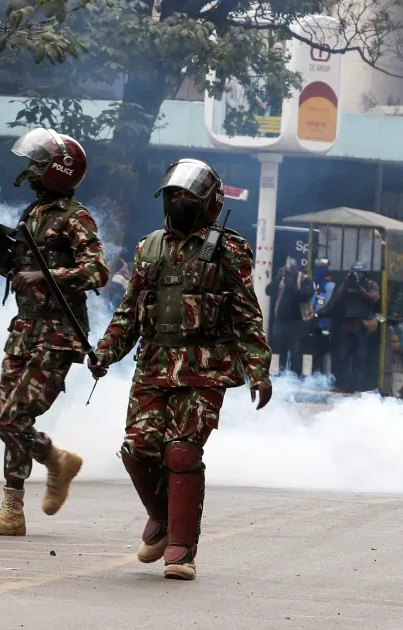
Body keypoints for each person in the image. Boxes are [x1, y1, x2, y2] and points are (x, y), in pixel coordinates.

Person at [88, 158, 273, 581]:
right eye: (173, 195)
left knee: (182, 451)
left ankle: (181, 549)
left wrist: (258, 369)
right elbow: (129, 312)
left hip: (205, 367)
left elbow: (246, 315)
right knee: (137, 448)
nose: (179, 202)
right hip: (153, 364)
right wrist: (104, 353)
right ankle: (163, 518)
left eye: (188, 195)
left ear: (209, 202)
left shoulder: (229, 248)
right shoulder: (148, 247)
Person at [0, 127, 109, 536]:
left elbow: (98, 271)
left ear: (57, 171)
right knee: (5, 421)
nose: (29, 169)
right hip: (25, 331)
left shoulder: (75, 218)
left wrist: (47, 276)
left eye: (37, 163)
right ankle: (30, 488)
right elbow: (17, 273)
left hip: (57, 334)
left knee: (14, 418)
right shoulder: (32, 215)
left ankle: (37, 481)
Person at [319, 261, 380, 392]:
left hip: (362, 327)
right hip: (346, 327)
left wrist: (359, 288)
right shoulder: (346, 284)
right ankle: (343, 385)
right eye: (354, 273)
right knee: (343, 358)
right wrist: (347, 284)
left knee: (361, 358)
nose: (357, 276)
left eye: (360, 273)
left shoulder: (370, 284)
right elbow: (335, 301)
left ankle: (359, 387)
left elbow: (373, 299)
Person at [264, 256, 316, 375]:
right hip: (282, 322)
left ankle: (295, 378)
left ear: (297, 269)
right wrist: (278, 277)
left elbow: (306, 295)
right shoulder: (282, 279)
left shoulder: (304, 279)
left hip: (297, 322)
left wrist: (291, 285)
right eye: (287, 270)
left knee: (296, 352)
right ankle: (282, 377)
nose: (289, 272)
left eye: (291, 270)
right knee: (281, 351)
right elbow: (268, 291)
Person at [311, 258, 336, 375]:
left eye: (321, 268)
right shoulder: (312, 284)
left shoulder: (331, 286)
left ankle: (327, 377)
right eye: (317, 268)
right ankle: (314, 375)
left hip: (325, 323)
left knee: (326, 350)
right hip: (312, 323)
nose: (319, 271)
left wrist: (318, 314)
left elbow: (332, 305)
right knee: (313, 350)